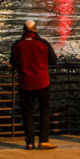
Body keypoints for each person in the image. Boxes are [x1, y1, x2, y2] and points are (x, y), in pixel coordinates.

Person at [10, 20, 58, 150]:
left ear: (23, 30)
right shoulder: (43, 44)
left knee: (27, 113)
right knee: (45, 111)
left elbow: (13, 61)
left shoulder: (17, 45)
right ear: (35, 29)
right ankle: (43, 140)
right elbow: (53, 60)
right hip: (42, 82)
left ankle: (29, 142)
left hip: (25, 83)